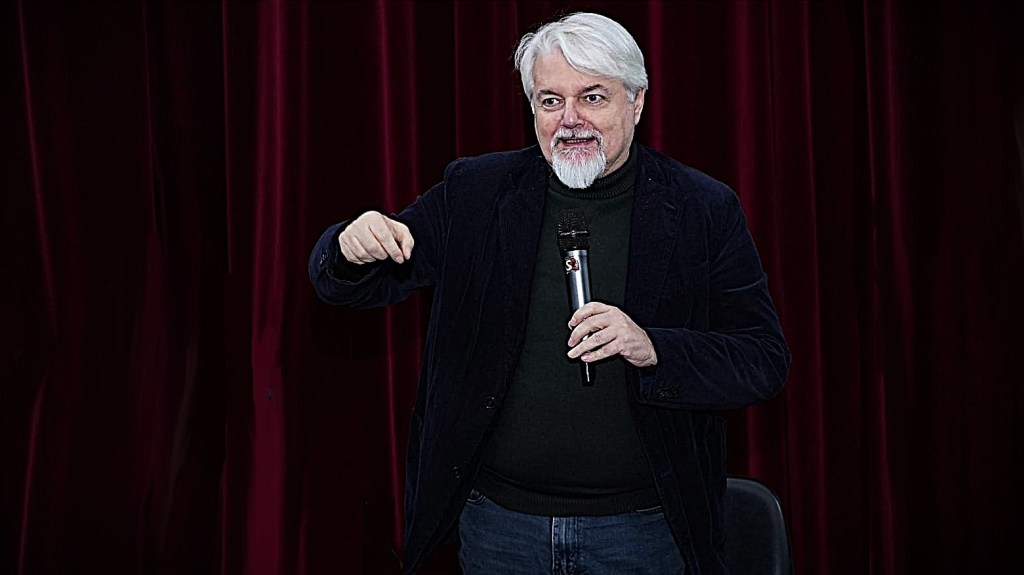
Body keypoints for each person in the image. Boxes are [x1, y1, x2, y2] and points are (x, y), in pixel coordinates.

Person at [309, 11, 790, 575]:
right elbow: (357, 281)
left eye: (593, 98)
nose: (570, 120)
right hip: (499, 528)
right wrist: (348, 247)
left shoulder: (701, 209)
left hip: (644, 531)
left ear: (636, 102)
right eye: (551, 101)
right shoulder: (478, 193)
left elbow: (762, 360)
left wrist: (654, 347)